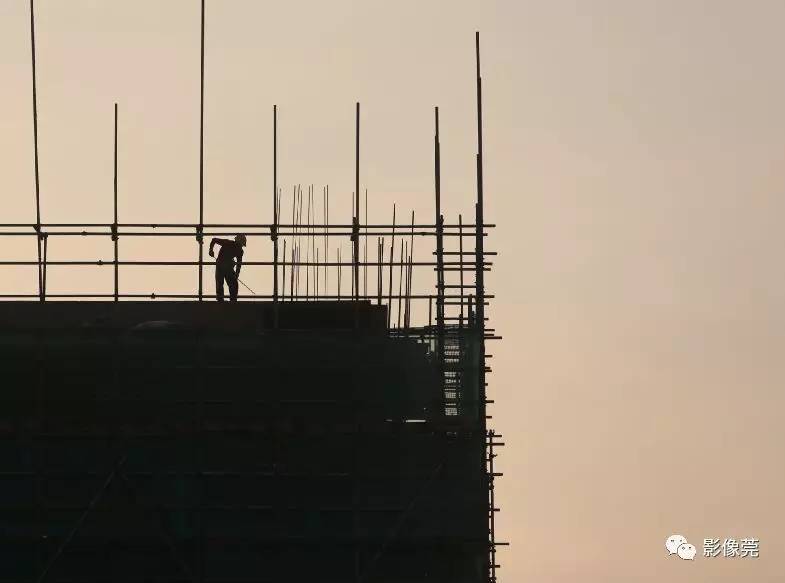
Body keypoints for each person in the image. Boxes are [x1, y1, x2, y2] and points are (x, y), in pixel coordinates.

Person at [209, 234, 246, 301]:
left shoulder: (239, 250)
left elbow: (239, 264)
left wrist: (236, 274)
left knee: (232, 284)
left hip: (226, 266)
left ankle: (231, 300)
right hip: (221, 265)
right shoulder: (228, 243)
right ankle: (222, 300)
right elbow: (214, 240)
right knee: (221, 283)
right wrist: (211, 250)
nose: (240, 246)